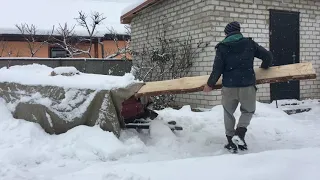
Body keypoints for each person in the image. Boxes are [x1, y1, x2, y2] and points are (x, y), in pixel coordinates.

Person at [203, 21, 273, 153]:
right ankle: (240, 134)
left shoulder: (222, 47)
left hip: (229, 86)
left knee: (228, 113)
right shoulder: (249, 44)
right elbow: (268, 56)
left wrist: (210, 84)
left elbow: (217, 69)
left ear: (226, 33)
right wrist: (264, 67)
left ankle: (231, 142)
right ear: (239, 31)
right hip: (247, 85)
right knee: (248, 111)